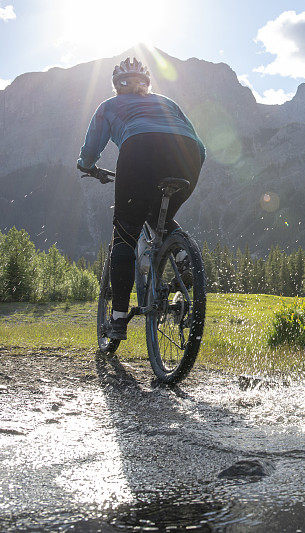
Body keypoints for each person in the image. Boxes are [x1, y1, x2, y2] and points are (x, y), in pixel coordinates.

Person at [77, 57, 205, 340]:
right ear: (146, 84)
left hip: (140, 151)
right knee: (158, 215)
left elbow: (91, 147)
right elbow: (201, 146)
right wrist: (190, 169)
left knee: (125, 234)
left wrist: (87, 166)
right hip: (188, 156)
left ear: (116, 86)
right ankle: (183, 254)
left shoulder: (110, 106)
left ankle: (119, 319)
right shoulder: (167, 103)